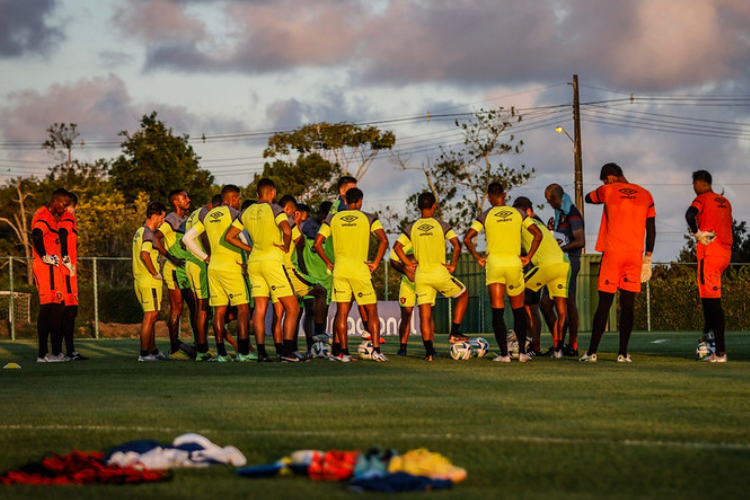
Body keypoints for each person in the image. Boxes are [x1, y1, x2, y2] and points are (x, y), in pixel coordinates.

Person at [580, 163, 655, 363]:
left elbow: (588, 198)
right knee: (628, 305)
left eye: (604, 180)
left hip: (613, 254)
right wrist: (648, 258)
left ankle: (591, 352)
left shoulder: (608, 190)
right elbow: (652, 229)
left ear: (610, 178)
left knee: (604, 304)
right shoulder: (646, 194)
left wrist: (607, 191)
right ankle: (622, 353)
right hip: (635, 255)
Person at [464, 182, 542, 363]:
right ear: (505, 195)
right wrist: (528, 256)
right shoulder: (519, 213)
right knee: (518, 310)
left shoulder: (485, 215)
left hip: (495, 264)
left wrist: (477, 257)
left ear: (489, 197)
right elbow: (538, 234)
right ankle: (522, 353)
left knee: (497, 311)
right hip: (514, 263)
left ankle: (504, 355)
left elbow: (467, 238)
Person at [225, 178, 301, 363]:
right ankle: (287, 352)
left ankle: (261, 353)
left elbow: (229, 236)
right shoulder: (276, 209)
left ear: (258, 194)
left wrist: (250, 249)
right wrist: (285, 245)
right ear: (273, 192)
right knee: (293, 308)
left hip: (254, 263)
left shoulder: (246, 211)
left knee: (259, 309)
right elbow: (288, 231)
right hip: (272, 262)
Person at [313, 187, 389, 362]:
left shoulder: (332, 218)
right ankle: (376, 351)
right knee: (371, 311)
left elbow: (317, 244)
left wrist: (329, 263)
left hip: (340, 269)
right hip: (360, 270)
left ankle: (343, 353)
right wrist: (376, 262)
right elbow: (384, 240)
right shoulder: (369, 218)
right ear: (360, 201)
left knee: (342, 313)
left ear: (345, 201)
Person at [394, 192, 469, 361]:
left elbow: (397, 247)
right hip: (439, 272)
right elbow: (457, 246)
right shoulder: (442, 224)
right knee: (464, 294)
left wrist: (408, 263)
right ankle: (454, 332)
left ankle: (429, 353)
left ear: (419, 207)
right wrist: (453, 265)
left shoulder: (411, 227)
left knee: (425, 315)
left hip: (421, 275)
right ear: (434, 206)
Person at [183, 185, 255, 362]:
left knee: (218, 311)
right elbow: (243, 237)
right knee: (243, 308)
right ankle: (243, 352)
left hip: (213, 266)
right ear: (231, 199)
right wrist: (248, 256)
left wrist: (205, 257)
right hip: (231, 265)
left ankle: (222, 354)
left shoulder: (207, 216)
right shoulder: (234, 214)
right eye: (238, 199)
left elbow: (186, 238)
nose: (239, 202)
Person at [512, 196, 570, 359]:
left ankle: (530, 345)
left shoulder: (523, 223)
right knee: (558, 309)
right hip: (563, 264)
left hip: (545, 266)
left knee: (520, 298)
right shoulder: (538, 223)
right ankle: (558, 349)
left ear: (527, 212)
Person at [685, 170, 732, 363]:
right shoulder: (725, 201)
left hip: (709, 253)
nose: (694, 188)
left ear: (699, 183)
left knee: (713, 306)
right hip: (725, 253)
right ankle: (706, 348)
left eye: (694, 184)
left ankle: (719, 353)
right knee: (708, 304)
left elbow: (689, 215)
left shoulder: (703, 198)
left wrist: (697, 233)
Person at [543, 184, 585, 356]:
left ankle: (571, 345)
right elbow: (562, 237)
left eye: (548, 200)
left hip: (569, 263)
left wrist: (560, 249)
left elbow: (580, 241)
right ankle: (558, 342)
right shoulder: (560, 214)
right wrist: (551, 231)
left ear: (555, 198)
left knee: (569, 304)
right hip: (556, 263)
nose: (548, 203)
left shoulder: (572, 214)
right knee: (545, 304)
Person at [155, 189, 194, 360]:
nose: (188, 199)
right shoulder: (171, 219)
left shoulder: (187, 220)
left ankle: (195, 345)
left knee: (194, 307)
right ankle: (174, 349)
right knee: (176, 309)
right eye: (184, 197)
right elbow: (155, 237)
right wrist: (171, 257)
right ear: (176, 202)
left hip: (185, 270)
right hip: (174, 269)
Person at [31, 188, 70, 362]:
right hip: (47, 270)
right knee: (49, 309)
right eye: (64, 204)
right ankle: (44, 353)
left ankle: (54, 352)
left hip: (54, 270)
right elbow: (37, 235)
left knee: (57, 309)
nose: (66, 208)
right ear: (55, 201)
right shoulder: (43, 215)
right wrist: (44, 256)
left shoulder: (52, 219)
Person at [182, 194, 222, 361]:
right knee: (203, 308)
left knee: (200, 307)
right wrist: (209, 256)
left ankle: (200, 348)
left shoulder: (194, 213)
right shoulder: (205, 214)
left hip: (191, 262)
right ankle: (202, 350)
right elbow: (204, 236)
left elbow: (183, 242)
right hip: (199, 263)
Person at [132, 201, 168, 362]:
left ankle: (152, 350)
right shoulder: (147, 233)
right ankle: (144, 353)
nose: (163, 220)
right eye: (162, 217)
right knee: (150, 315)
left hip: (139, 280)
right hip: (149, 280)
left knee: (152, 316)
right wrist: (155, 273)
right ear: (154, 215)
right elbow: (145, 255)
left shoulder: (139, 232)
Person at [58, 191, 87, 361]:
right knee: (70, 311)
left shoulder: (62, 219)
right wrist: (66, 258)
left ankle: (65, 350)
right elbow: (62, 234)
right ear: (75, 206)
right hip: (67, 272)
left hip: (66, 270)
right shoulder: (69, 219)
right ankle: (68, 351)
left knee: (66, 311)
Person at [301, 201, 334, 343]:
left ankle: (320, 343)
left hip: (327, 276)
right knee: (310, 311)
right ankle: (310, 345)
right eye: (323, 215)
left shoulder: (331, 226)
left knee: (323, 312)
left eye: (328, 217)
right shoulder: (309, 226)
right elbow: (313, 236)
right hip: (310, 275)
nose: (324, 219)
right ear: (318, 213)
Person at [389, 242, 416, 356]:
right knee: (406, 314)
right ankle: (402, 348)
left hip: (426, 279)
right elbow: (393, 261)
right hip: (407, 281)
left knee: (428, 313)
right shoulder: (404, 242)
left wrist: (411, 259)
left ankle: (430, 348)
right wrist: (407, 269)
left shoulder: (429, 239)